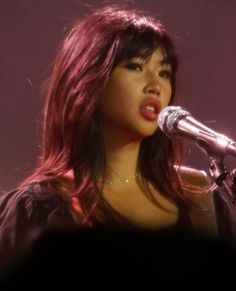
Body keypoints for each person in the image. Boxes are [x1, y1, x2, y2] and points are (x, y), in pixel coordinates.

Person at [0, 5, 234, 277]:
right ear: (88, 81)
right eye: (135, 66)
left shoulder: (201, 197)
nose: (155, 86)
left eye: (164, 73)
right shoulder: (33, 208)